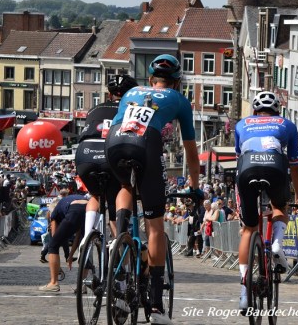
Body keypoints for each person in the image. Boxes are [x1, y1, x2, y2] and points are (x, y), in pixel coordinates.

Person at [106, 54, 201, 325]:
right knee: (155, 226)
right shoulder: (179, 100)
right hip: (146, 143)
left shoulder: (132, 92)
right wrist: (194, 188)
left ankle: (119, 238)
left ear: (150, 79)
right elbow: (191, 152)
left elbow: (121, 121)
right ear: (177, 83)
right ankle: (157, 307)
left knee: (125, 184)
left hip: (115, 140)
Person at [233, 91, 298, 312]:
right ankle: (276, 245)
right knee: (279, 207)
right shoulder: (287, 124)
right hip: (275, 167)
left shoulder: (242, 124)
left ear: (255, 111)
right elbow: (296, 167)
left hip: (247, 168)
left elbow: (239, 157)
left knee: (249, 229)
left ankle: (244, 293)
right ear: (277, 111)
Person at [76, 74, 138, 246]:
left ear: (109, 94)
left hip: (84, 152)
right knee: (124, 189)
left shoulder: (94, 109)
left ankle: (87, 237)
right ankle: (118, 242)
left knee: (95, 195)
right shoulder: (132, 109)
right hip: (110, 152)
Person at [38, 193, 88, 292]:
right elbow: (78, 236)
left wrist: (57, 266)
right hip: (90, 208)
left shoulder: (54, 212)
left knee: (53, 245)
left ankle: (53, 283)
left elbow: (54, 239)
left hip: (75, 209)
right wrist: (70, 255)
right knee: (85, 247)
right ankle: (82, 285)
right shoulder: (67, 201)